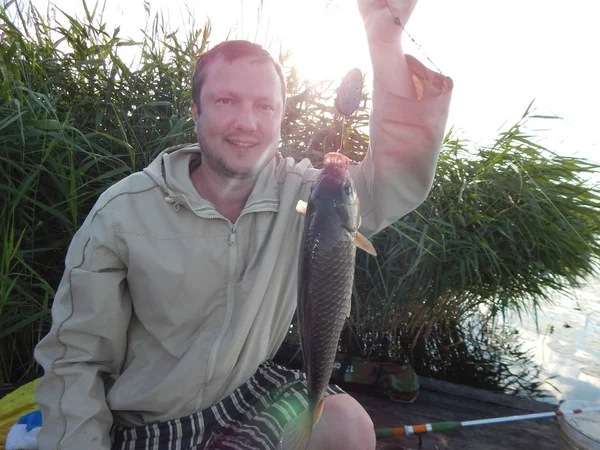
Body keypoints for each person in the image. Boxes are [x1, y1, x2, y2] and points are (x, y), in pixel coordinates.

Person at [33, 0, 453, 449]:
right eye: (226, 101)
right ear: (196, 111)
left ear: (279, 118)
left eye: (265, 106)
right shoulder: (122, 212)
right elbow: (76, 359)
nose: (246, 123)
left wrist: (383, 38)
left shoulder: (311, 197)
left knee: (347, 426)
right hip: (146, 421)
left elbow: (395, 179)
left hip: (245, 393)